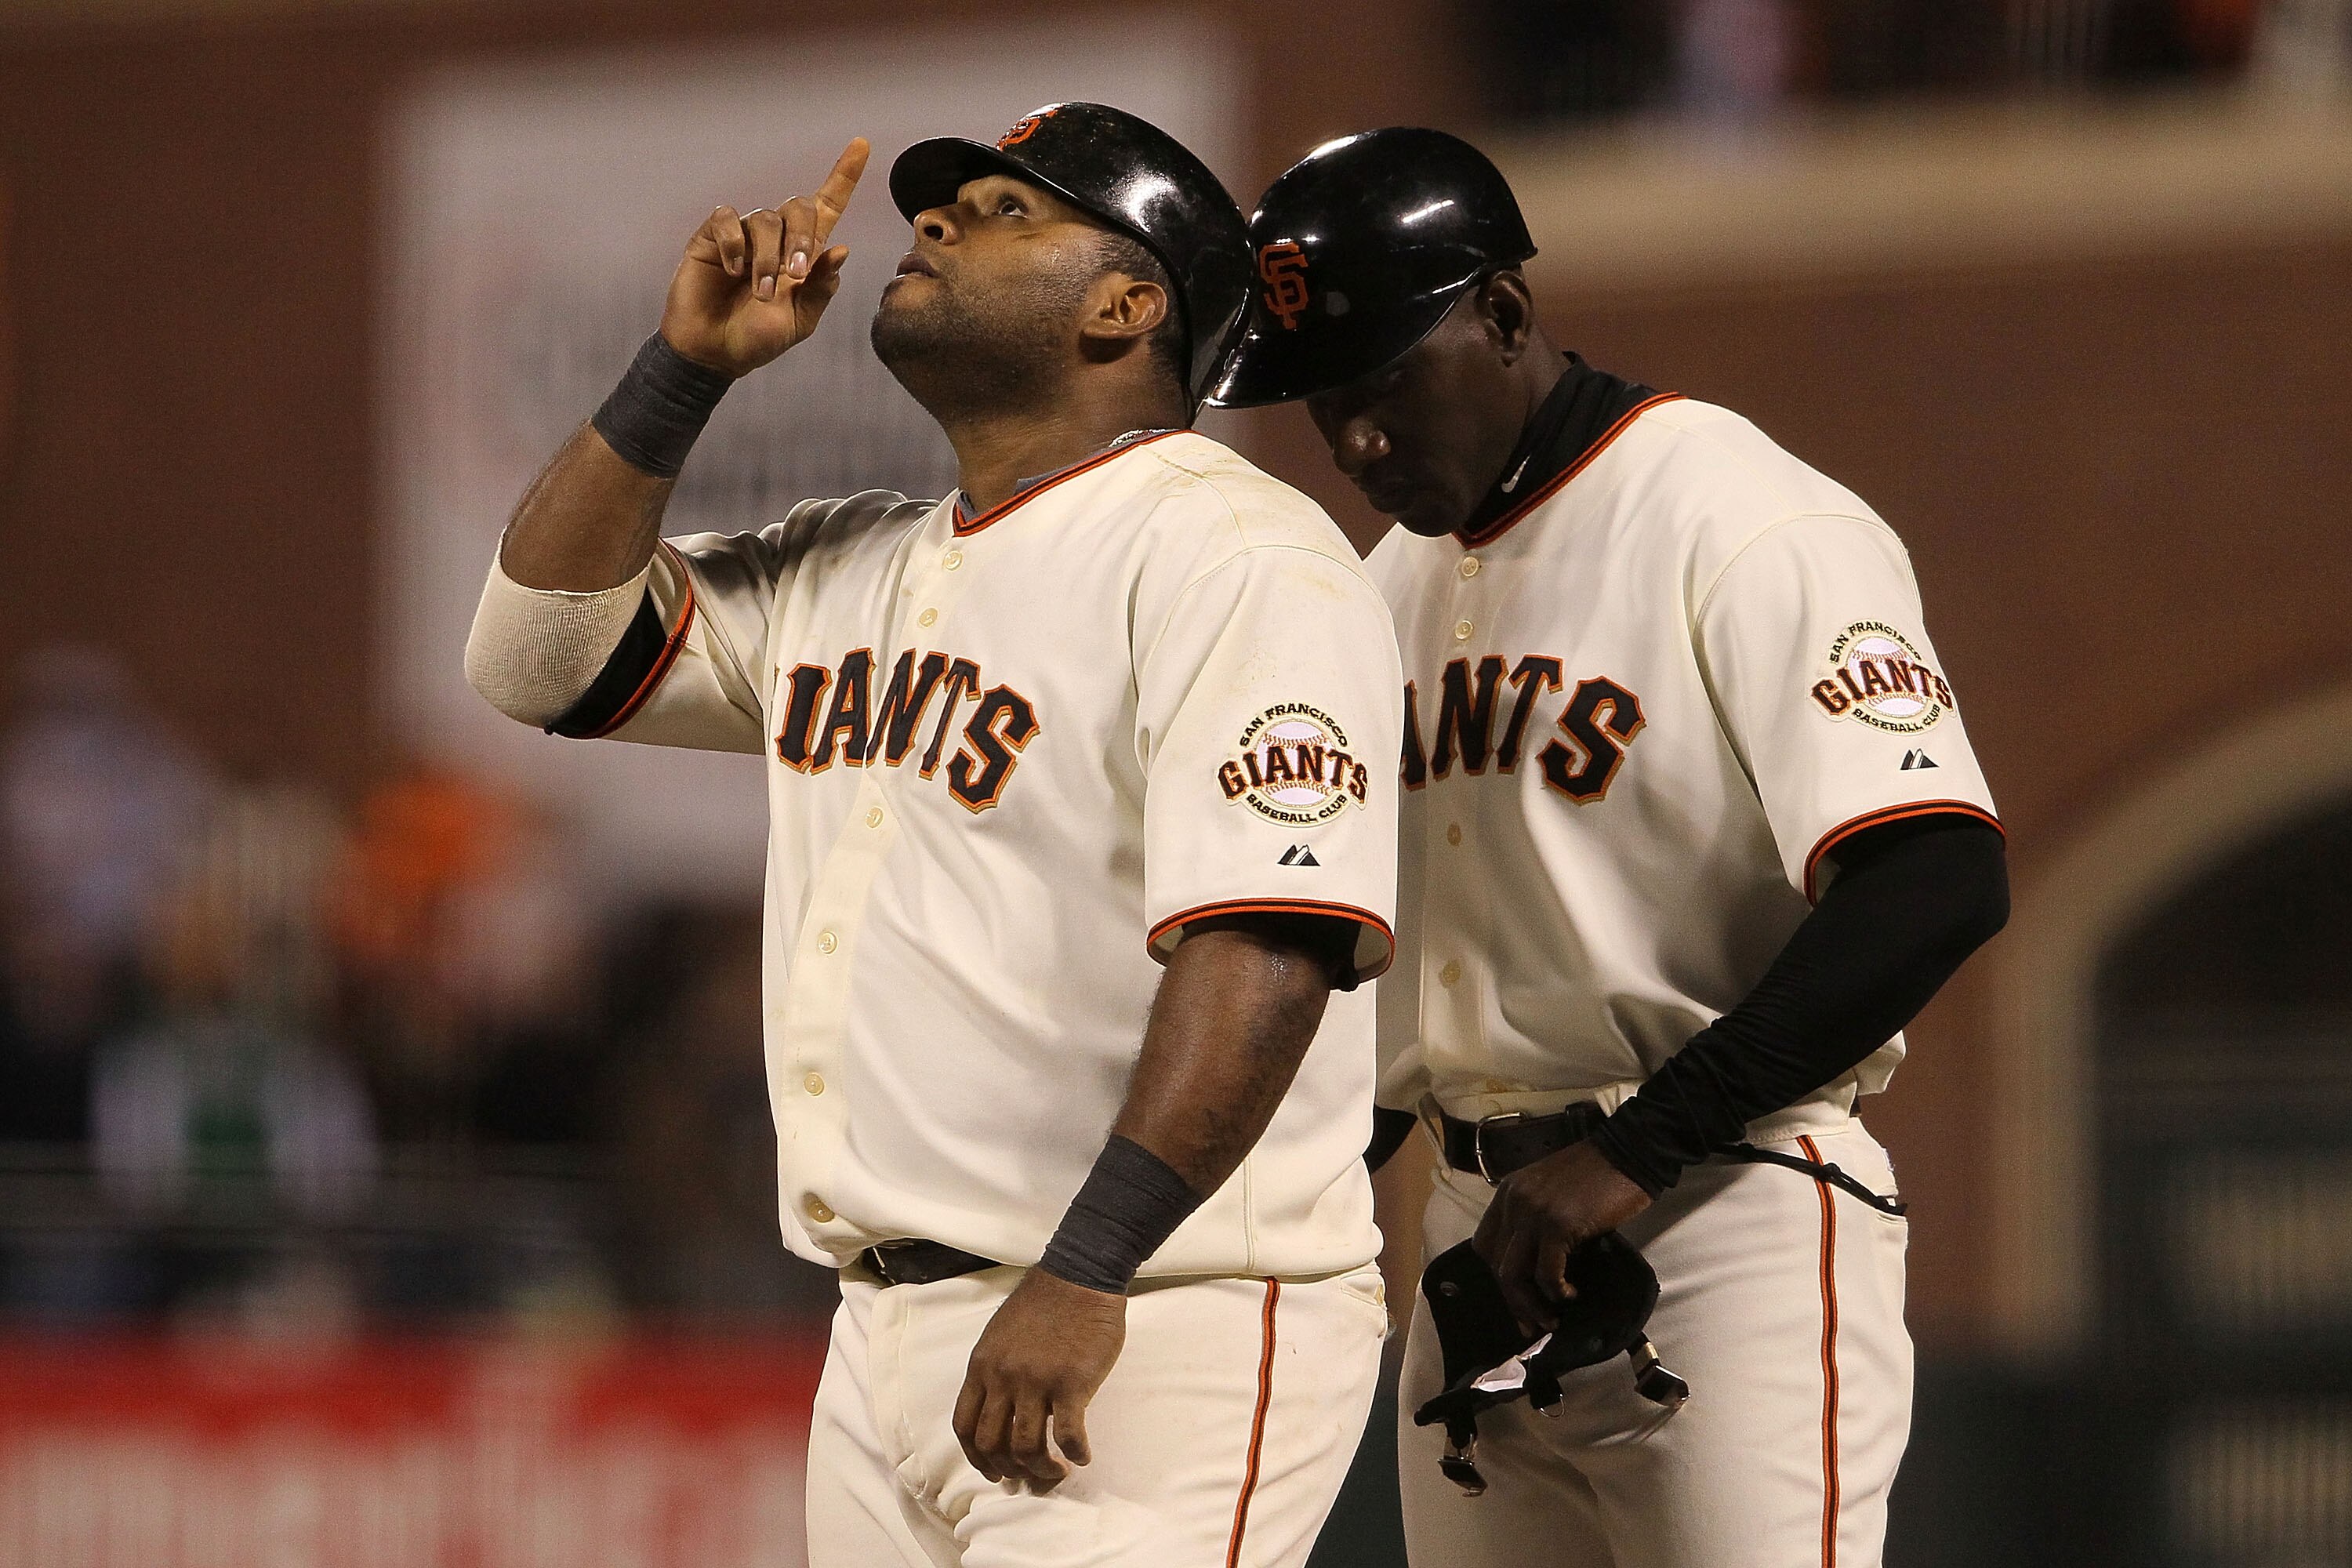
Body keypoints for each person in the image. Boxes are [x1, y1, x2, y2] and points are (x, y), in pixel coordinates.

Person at [461, 103, 1402, 1567]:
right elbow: (536, 658)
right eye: (939, 206)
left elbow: (1267, 945)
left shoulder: (1240, 554)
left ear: (1128, 303)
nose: (938, 222)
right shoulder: (853, 557)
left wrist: (1092, 1269)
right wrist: (680, 376)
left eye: (1007, 210)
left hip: (1156, 1315)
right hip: (885, 1329)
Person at [1210, 128, 2010, 1568]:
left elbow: (1938, 875)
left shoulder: (1742, 518)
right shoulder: (1384, 584)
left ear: (1506, 315)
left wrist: (1640, 1149)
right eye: (1328, 407)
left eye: (1387, 380)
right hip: (1475, 1239)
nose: (1360, 441)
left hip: (1728, 1209)